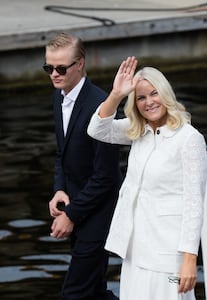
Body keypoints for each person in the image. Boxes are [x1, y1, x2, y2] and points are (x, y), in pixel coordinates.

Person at [87, 56, 207, 300]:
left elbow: (194, 203)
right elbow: (96, 129)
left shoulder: (189, 139)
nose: (149, 102)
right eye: (141, 97)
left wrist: (189, 259)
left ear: (165, 94)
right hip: (135, 250)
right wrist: (116, 94)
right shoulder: (137, 131)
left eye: (154, 94)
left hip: (169, 254)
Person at [44, 32, 122, 300]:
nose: (54, 74)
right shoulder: (59, 96)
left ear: (80, 64)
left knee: (74, 294)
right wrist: (59, 189)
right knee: (93, 293)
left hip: (98, 216)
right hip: (77, 207)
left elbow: (107, 177)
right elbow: (61, 154)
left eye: (61, 68)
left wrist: (72, 215)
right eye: (49, 68)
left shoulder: (101, 106)